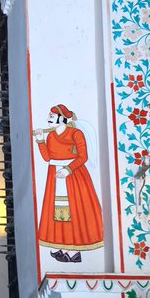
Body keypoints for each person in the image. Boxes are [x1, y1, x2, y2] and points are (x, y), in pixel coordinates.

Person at [34, 103, 103, 262]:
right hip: (55, 175)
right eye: (49, 116)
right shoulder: (51, 136)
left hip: (73, 176)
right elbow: (47, 158)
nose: (48, 119)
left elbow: (82, 157)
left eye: (51, 116)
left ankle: (74, 251)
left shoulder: (75, 133)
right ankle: (63, 246)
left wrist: (68, 170)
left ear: (62, 118)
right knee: (58, 212)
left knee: (75, 211)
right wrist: (40, 140)